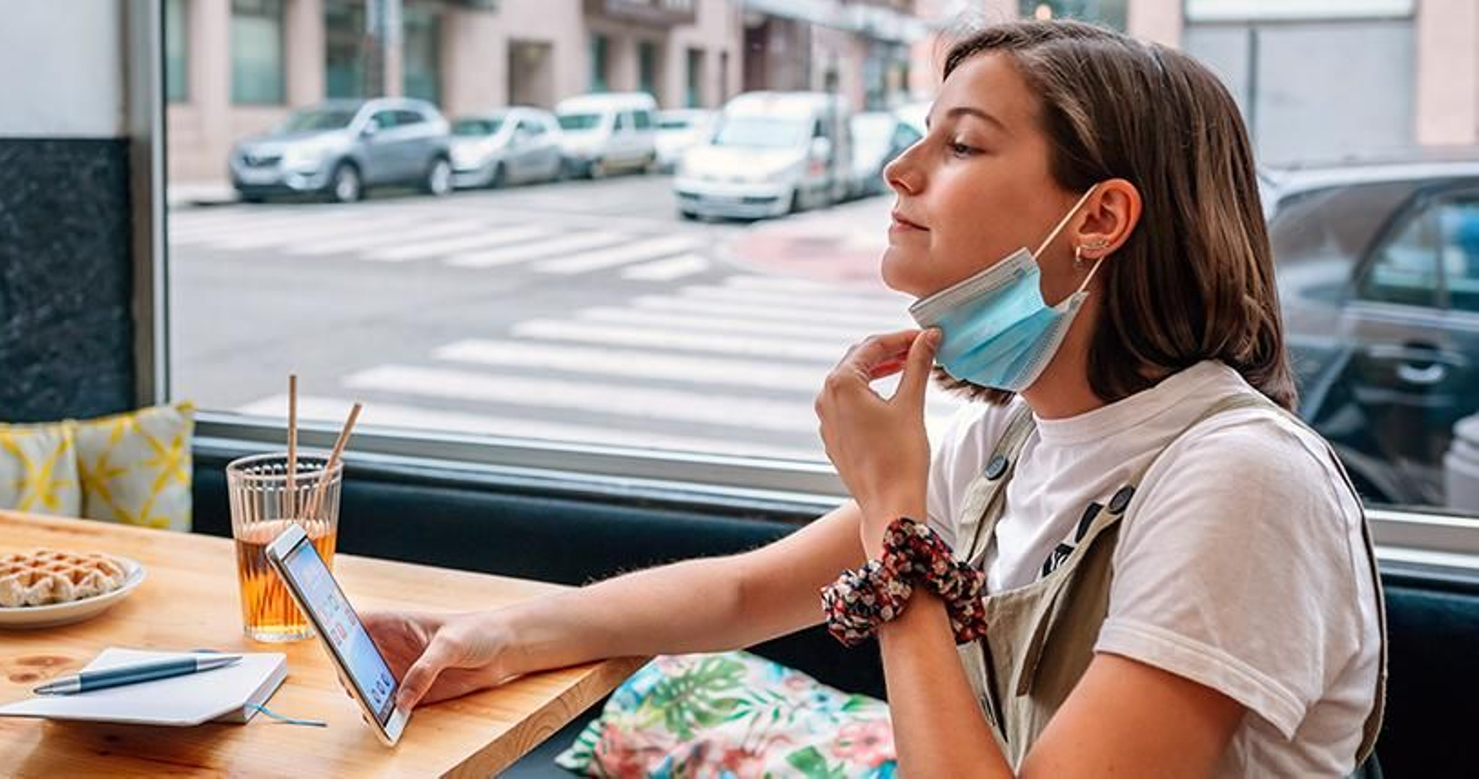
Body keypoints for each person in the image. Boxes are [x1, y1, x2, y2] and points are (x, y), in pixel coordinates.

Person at [363, 20, 1385, 776]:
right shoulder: (1012, 436)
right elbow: (740, 594)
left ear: (1100, 217)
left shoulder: (1237, 481)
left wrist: (897, 520)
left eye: (962, 144)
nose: (898, 169)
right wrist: (500, 634)